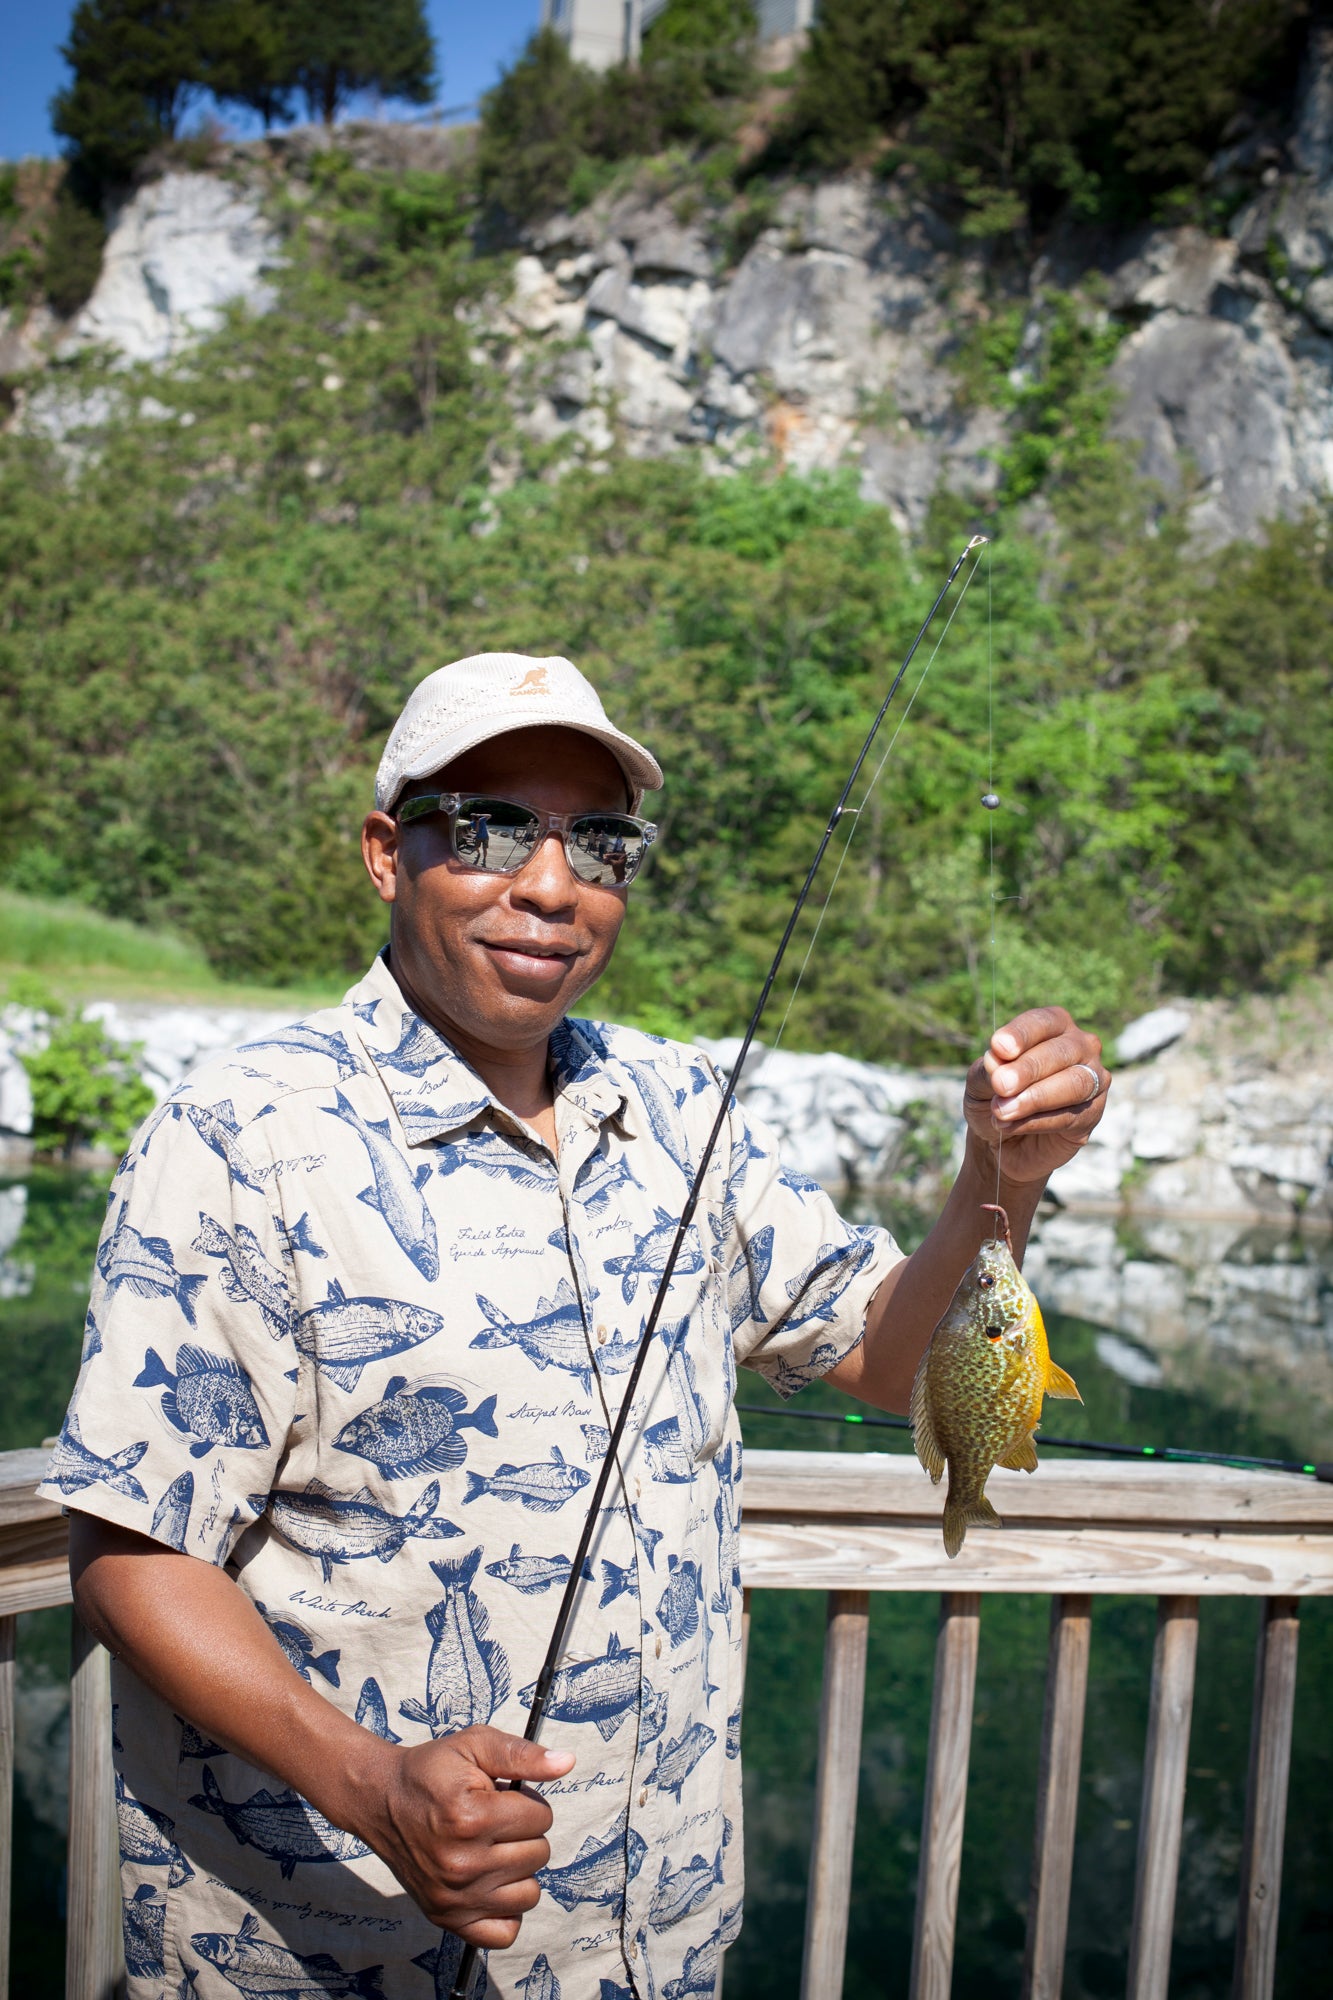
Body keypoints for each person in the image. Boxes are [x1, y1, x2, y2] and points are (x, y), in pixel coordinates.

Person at [43, 651, 1109, 1999]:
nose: (550, 885)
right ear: (387, 853)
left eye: (597, 842)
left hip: (650, 1934)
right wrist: (376, 1789)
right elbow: (130, 1546)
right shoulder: (245, 1133)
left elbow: (882, 1354)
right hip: (322, 1946)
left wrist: (997, 1178)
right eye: (486, 828)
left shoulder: (676, 1107)